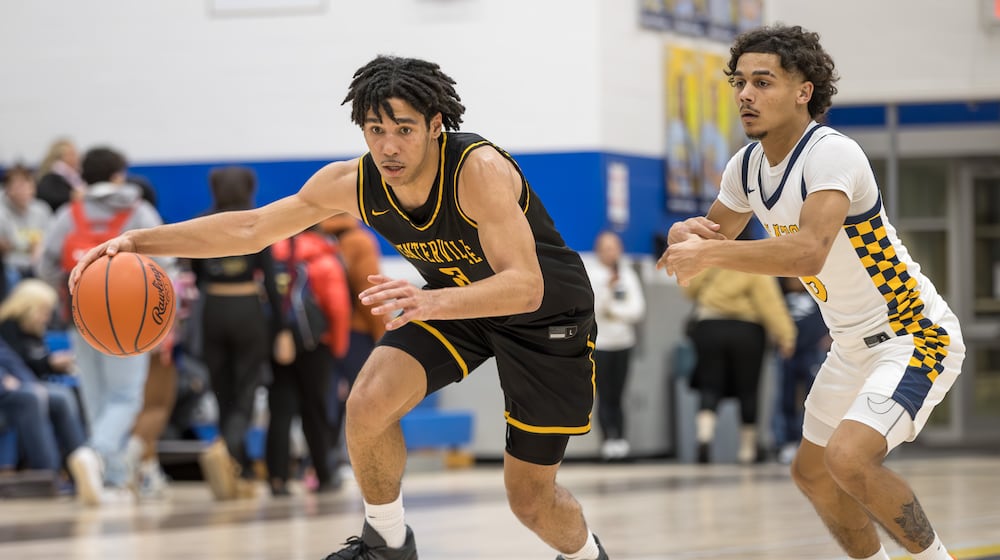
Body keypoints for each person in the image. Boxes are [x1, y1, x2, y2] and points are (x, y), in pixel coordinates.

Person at [70, 55, 609, 560]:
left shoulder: (478, 170)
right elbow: (251, 228)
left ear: (435, 124)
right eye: (376, 130)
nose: (389, 147)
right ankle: (387, 542)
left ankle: (589, 556)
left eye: (404, 129)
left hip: (544, 317)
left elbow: (525, 286)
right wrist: (137, 242)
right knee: (367, 401)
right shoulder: (352, 182)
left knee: (530, 502)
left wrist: (430, 300)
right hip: (453, 303)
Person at [660, 24, 964, 560]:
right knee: (812, 473)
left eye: (763, 82)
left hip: (913, 334)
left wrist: (705, 253)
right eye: (739, 83)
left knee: (849, 459)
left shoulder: (832, 154)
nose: (746, 95)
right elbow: (714, 239)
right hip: (849, 346)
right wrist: (686, 236)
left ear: (804, 91)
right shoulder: (747, 166)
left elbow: (807, 253)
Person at [39, 146, 171, 506]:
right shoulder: (139, 209)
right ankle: (96, 457)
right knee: (126, 397)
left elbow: (46, 264)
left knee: (95, 397)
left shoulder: (70, 213)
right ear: (118, 174)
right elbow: (166, 263)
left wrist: (73, 293)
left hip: (80, 318)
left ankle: (111, 480)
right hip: (134, 317)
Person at [188, 165, 286, 501]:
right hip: (247, 309)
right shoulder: (254, 221)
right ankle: (227, 451)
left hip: (212, 309)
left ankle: (237, 469)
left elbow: (196, 271)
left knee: (222, 391)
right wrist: (282, 326)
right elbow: (271, 280)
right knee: (246, 390)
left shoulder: (203, 220)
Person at [681, 247, 795, 464]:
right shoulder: (754, 263)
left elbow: (689, 289)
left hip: (709, 326)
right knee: (748, 389)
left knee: (710, 384)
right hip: (747, 331)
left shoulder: (711, 258)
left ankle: (704, 437)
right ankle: (747, 450)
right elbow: (769, 303)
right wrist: (786, 335)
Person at [265, 225, 351, 497]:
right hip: (316, 345)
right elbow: (337, 307)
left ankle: (277, 478)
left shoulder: (273, 254)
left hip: (278, 342)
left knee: (279, 410)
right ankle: (324, 474)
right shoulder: (323, 257)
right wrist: (337, 349)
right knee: (315, 410)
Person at [320, 212, 386, 480]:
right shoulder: (360, 241)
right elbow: (368, 292)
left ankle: (322, 463)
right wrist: (383, 334)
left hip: (320, 334)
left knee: (326, 398)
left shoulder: (314, 239)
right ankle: (359, 462)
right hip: (355, 331)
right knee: (363, 399)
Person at [586, 230, 645, 461]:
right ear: (599, 250)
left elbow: (637, 310)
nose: (612, 252)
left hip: (623, 343)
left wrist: (613, 311)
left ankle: (621, 441)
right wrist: (608, 293)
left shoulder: (628, 275)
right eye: (607, 247)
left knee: (619, 394)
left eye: (615, 247)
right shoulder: (591, 274)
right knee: (603, 394)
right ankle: (607, 443)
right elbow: (593, 310)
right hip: (601, 344)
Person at [774, 275, 831, 465]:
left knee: (814, 396)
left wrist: (829, 337)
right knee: (786, 397)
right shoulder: (779, 296)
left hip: (813, 350)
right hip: (787, 352)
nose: (795, 281)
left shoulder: (818, 293)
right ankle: (787, 442)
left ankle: (812, 443)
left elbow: (834, 313)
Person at [0, 164, 53, 283]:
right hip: (12, 267)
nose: (24, 190)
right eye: (19, 186)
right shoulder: (2, 213)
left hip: (39, 263)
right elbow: (4, 246)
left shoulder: (41, 209)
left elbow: (51, 239)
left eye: (28, 185)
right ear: (8, 189)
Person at [35, 138, 86, 213]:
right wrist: (71, 196)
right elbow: (48, 196)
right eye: (71, 154)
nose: (76, 157)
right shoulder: (51, 178)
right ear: (58, 157)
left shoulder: (76, 177)